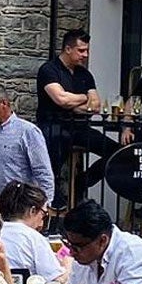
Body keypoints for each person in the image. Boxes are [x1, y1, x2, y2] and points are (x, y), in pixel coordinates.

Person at [34, 29, 115, 192]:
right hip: (53, 125)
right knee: (53, 153)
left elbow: (96, 106)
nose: (85, 55)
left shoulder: (84, 74)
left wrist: (73, 103)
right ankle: (51, 194)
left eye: (87, 50)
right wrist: (84, 97)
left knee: (116, 152)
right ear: (68, 49)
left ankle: (82, 183)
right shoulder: (49, 70)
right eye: (81, 50)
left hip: (79, 127)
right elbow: (61, 99)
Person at [60, 200, 142, 284]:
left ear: (102, 240)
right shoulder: (82, 258)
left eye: (77, 247)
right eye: (69, 245)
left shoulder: (134, 253)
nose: (71, 253)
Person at [0, 181, 61, 284]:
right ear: (33, 211)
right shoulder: (33, 237)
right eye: (44, 214)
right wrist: (68, 264)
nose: (42, 223)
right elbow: (55, 279)